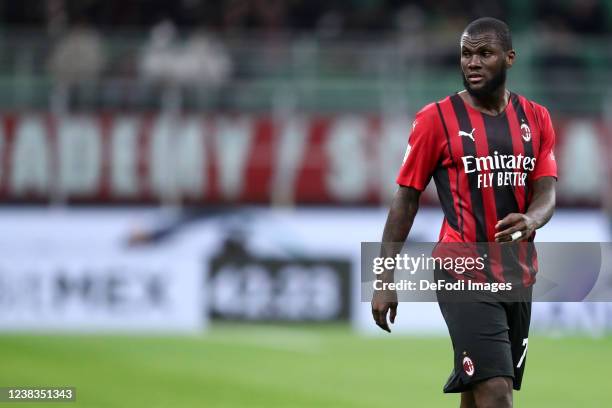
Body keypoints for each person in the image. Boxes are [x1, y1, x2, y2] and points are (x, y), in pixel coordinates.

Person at [371, 17, 557, 408]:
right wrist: (383, 277)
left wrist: (531, 220)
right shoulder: (435, 120)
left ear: (509, 59)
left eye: (484, 53)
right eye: (466, 54)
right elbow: (405, 199)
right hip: (461, 270)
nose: (473, 62)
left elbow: (546, 194)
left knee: (478, 394)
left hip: (517, 274)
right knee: (497, 393)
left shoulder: (535, 118)